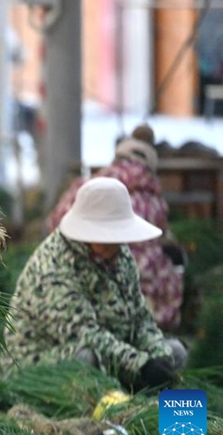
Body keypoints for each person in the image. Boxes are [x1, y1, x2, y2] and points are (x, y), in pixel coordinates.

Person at [5, 177, 187, 394]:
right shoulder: (54, 266)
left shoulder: (119, 255)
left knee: (175, 353)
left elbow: (139, 318)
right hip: (42, 362)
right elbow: (85, 334)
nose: (115, 245)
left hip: (113, 353)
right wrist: (141, 365)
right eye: (106, 237)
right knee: (86, 358)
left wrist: (159, 356)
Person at [46, 124, 183, 331]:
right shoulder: (154, 201)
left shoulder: (88, 186)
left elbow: (54, 223)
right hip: (141, 285)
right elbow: (161, 238)